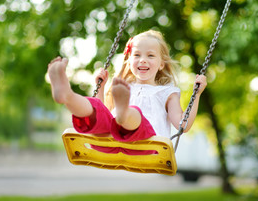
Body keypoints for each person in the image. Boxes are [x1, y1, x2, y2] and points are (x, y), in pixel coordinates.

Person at [48, 30, 207, 154]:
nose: (143, 59)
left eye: (150, 55)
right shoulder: (123, 87)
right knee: (96, 109)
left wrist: (197, 95)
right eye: (137, 55)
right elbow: (103, 114)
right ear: (129, 60)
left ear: (161, 64)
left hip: (147, 145)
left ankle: (124, 115)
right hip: (110, 141)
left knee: (134, 114)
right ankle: (67, 96)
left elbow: (182, 125)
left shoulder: (166, 92)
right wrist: (101, 87)